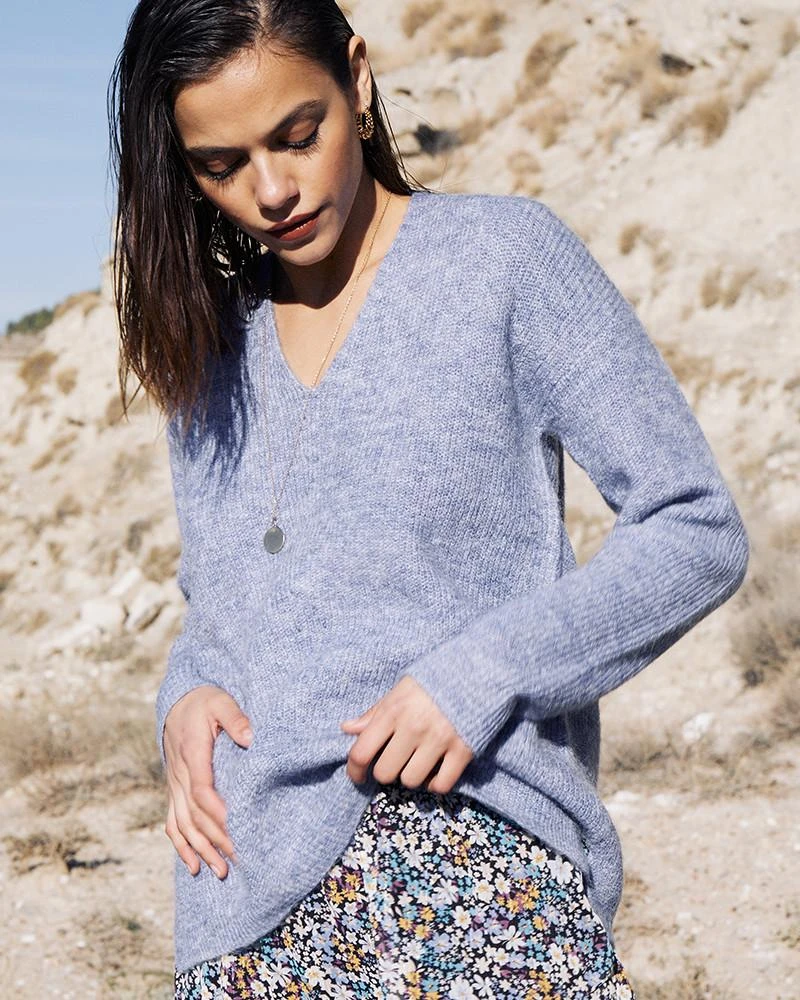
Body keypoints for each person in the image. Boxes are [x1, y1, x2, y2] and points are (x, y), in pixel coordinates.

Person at [108, 1, 749, 997]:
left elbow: (694, 523)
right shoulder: (210, 348)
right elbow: (227, 608)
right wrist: (181, 697)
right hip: (243, 906)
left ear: (357, 81)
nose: (271, 191)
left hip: (475, 867)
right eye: (221, 165)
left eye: (297, 135)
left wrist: (484, 672)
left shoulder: (503, 261)